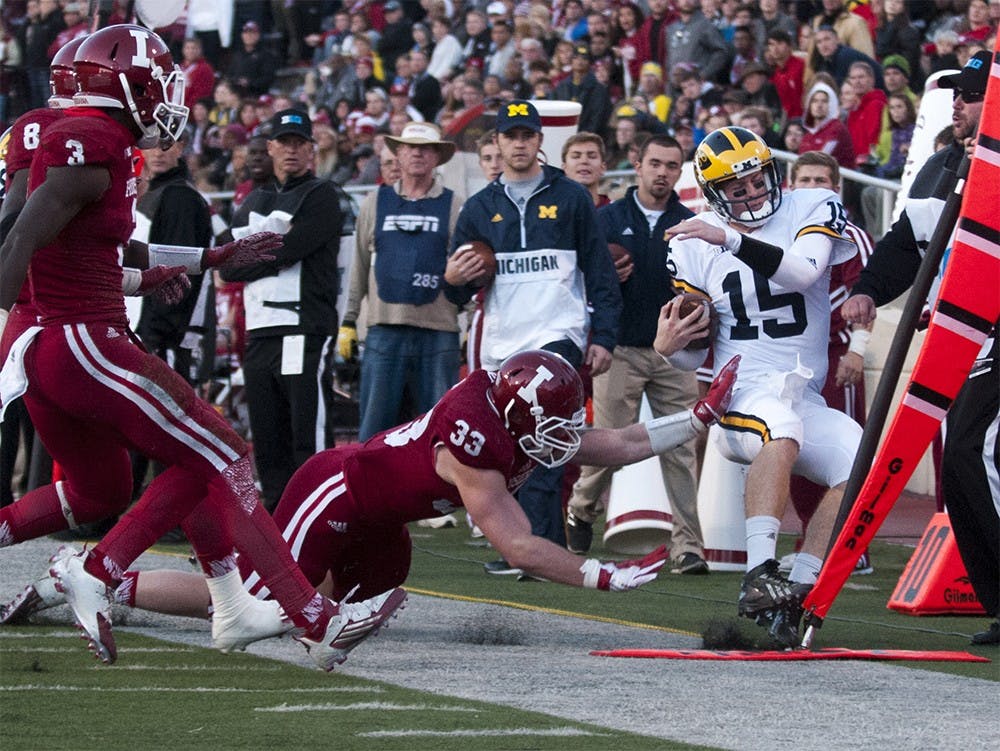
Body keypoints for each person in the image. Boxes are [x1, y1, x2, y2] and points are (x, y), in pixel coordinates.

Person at [0, 24, 403, 671]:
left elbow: (97, 249)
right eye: (157, 77)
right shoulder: (94, 139)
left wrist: (203, 258)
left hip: (61, 336)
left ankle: (232, 605)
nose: (167, 93)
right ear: (126, 84)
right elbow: (21, 236)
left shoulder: (88, 142)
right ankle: (306, 615)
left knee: (114, 484)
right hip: (81, 338)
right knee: (227, 453)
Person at [4, 350, 740, 634]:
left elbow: (619, 441)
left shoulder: (518, 419)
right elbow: (515, 541)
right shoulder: (474, 444)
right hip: (339, 491)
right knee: (247, 606)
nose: (561, 439)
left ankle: (101, 578)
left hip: (386, 520)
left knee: (346, 608)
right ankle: (91, 579)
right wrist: (601, 574)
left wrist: (696, 416)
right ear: (517, 415)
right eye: (548, 426)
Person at [653, 125, 861, 646]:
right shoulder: (693, 241)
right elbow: (693, 355)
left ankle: (799, 591)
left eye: (755, 179)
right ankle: (758, 574)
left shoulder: (812, 204)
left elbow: (804, 273)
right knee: (781, 426)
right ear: (713, 193)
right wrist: (669, 346)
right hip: (742, 396)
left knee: (862, 463)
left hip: (800, 391)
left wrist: (729, 237)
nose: (750, 193)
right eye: (735, 187)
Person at [841, 51, 999, 646]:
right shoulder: (940, 168)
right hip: (960, 341)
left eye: (973, 94)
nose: (957, 103)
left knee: (971, 451)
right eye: (956, 92)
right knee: (956, 468)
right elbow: (906, 246)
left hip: (994, 337)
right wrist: (865, 291)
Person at [444, 100, 622, 572]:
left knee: (543, 437)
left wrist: (603, 335)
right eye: (511, 135)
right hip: (503, 341)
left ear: (542, 141)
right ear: (498, 143)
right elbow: (455, 288)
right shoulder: (480, 207)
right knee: (509, 445)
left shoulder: (572, 197)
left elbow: (599, 270)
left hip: (558, 332)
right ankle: (524, 544)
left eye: (527, 135)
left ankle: (537, 545)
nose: (519, 143)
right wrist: (454, 277)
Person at [566, 134, 706, 575]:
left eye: (672, 165)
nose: (663, 172)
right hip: (621, 347)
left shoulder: (691, 223)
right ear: (637, 164)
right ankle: (582, 509)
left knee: (682, 447)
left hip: (675, 353)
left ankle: (688, 547)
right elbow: (581, 279)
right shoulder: (606, 219)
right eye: (656, 163)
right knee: (608, 440)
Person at [219, 109, 344, 512]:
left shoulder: (322, 195)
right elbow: (227, 262)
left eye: (299, 143)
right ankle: (277, 517)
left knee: (307, 432)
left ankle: (323, 514)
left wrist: (255, 255)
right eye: (284, 143)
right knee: (268, 434)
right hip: (261, 330)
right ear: (270, 148)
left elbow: (289, 250)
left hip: (302, 327)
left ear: (311, 149)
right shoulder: (255, 199)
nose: (291, 151)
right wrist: (264, 255)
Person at [338, 122, 463, 441]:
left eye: (426, 148)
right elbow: (359, 265)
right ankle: (366, 492)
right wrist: (349, 320)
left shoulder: (455, 204)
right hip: (384, 330)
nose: (418, 153)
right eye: (411, 147)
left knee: (441, 435)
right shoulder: (374, 202)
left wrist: (468, 319)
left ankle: (441, 494)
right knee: (374, 432)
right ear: (399, 154)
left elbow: (466, 269)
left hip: (438, 332)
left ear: (437, 156)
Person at [783, 150, 875, 577]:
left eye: (822, 180)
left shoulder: (851, 235)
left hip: (837, 352)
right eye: (806, 180)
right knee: (797, 452)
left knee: (846, 451)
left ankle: (851, 547)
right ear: (790, 185)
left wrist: (858, 348)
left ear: (836, 188)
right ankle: (811, 538)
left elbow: (867, 294)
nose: (814, 188)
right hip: (793, 357)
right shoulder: (780, 231)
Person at [226, 21, 278, 97]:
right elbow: (230, 74)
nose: (249, 36)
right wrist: (236, 81)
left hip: (257, 95)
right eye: (246, 33)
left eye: (252, 33)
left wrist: (249, 83)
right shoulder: (237, 54)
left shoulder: (266, 55)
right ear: (242, 35)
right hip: (237, 94)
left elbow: (268, 77)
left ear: (258, 35)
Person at [561, 132, 610, 208]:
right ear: (564, 168)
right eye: (576, 156)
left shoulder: (618, 214)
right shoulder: (550, 213)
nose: (584, 161)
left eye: (592, 156)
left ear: (603, 168)